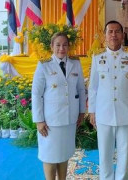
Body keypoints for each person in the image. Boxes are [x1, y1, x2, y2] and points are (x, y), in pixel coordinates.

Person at [88, 20, 128, 180]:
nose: (113, 34)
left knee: (125, 153)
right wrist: (92, 111)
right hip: (103, 113)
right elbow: (93, 87)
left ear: (123, 35)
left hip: (126, 113)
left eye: (117, 31)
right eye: (110, 31)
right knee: (105, 154)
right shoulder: (97, 57)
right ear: (105, 36)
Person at [32, 32, 86, 180]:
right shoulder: (44, 65)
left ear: (69, 47)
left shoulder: (75, 63)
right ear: (51, 46)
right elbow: (36, 94)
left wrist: (82, 112)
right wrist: (39, 120)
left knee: (64, 153)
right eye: (58, 45)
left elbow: (81, 89)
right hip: (50, 121)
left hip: (70, 119)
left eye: (64, 45)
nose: (61, 48)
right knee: (49, 155)